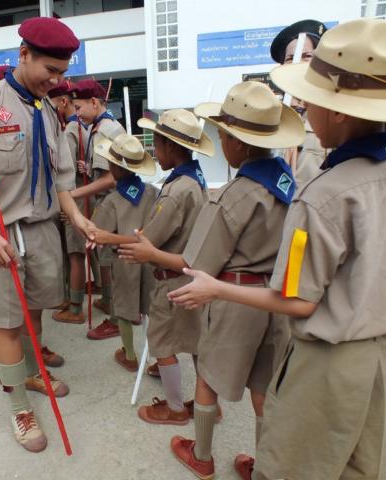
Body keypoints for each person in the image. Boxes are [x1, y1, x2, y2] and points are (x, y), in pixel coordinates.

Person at [168, 18, 386, 480]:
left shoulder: (325, 194)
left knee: (293, 467)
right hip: (385, 355)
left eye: (309, 99)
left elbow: (298, 299)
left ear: (338, 111)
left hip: (330, 359)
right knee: (359, 468)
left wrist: (215, 289)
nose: (303, 110)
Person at [131, 81, 305, 479]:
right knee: (264, 388)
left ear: (239, 144)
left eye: (224, 135)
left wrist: (153, 254)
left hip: (236, 297)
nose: (221, 142)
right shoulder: (288, 182)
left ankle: (202, 455)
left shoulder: (234, 195)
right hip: (274, 297)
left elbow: (199, 262)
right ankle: (265, 467)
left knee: (207, 375)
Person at [0, 16, 94, 453]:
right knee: (8, 325)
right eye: (51, 70)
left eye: (62, 73)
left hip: (42, 229)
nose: (56, 80)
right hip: (0, 235)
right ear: (24, 55)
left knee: (35, 312)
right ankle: (19, 409)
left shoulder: (47, 111)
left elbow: (61, 177)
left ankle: (31, 371)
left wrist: (77, 217)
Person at [99, 109, 214, 424]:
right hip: (191, 274)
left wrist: (110, 237)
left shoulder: (176, 191)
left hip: (171, 278)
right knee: (197, 342)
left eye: (157, 144)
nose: (154, 151)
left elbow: (148, 239)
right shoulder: (195, 179)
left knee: (162, 341)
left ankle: (174, 408)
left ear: (172, 147)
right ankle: (208, 405)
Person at [88, 133, 158, 370]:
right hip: (151, 258)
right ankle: (157, 357)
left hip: (124, 261)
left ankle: (129, 354)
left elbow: (98, 233)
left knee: (124, 308)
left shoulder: (111, 201)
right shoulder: (153, 192)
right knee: (152, 307)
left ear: (116, 168)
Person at [70, 78, 126, 340]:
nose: (77, 113)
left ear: (94, 102)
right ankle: (111, 302)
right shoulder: (108, 125)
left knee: (113, 262)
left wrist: (72, 195)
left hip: (111, 203)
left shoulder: (103, 131)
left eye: (79, 107)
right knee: (109, 259)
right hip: (116, 203)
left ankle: (117, 318)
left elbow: (109, 179)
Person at [49, 80, 92, 324]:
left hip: (74, 200)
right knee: (72, 254)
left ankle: (75, 309)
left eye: (53, 103)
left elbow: (66, 171)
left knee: (75, 255)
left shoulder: (71, 130)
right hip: (78, 199)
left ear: (63, 102)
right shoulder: (77, 127)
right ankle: (70, 299)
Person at [270, 19, 328, 185]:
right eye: (290, 58)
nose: (298, 63)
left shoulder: (331, 116)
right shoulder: (272, 115)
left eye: (307, 56)